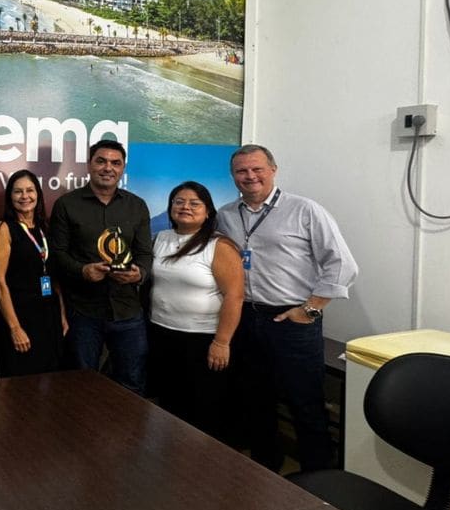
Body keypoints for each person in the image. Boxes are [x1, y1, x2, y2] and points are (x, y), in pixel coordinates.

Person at [216, 144, 358, 472]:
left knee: (305, 403)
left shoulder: (305, 210)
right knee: (257, 400)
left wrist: (310, 309)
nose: (250, 176)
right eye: (241, 171)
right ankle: (267, 468)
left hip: (292, 320)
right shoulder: (225, 215)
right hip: (246, 319)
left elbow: (342, 265)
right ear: (233, 176)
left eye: (257, 169)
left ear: (273, 170)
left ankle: (318, 480)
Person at [49, 139, 153, 394]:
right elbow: (57, 255)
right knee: (81, 384)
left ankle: (129, 434)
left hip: (127, 310)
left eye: (115, 163)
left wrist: (139, 273)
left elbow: (144, 253)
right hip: (84, 312)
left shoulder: (136, 205)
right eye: (101, 161)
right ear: (89, 165)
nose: (108, 168)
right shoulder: (67, 204)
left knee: (132, 382)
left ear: (122, 168)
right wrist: (82, 271)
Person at [148, 181, 244, 440]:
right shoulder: (162, 238)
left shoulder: (219, 245)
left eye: (194, 203)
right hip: (163, 334)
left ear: (208, 211)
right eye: (178, 202)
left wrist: (222, 342)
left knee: (203, 410)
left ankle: (205, 469)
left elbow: (234, 296)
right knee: (171, 404)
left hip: (202, 340)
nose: (185, 207)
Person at [0, 170, 66, 376]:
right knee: (21, 386)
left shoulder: (45, 227)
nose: (25, 196)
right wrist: (15, 328)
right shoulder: (4, 228)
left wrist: (62, 315)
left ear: (38, 194)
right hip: (20, 316)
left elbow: (54, 278)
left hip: (48, 317)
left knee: (50, 380)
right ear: (10, 197)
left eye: (30, 190)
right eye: (18, 192)